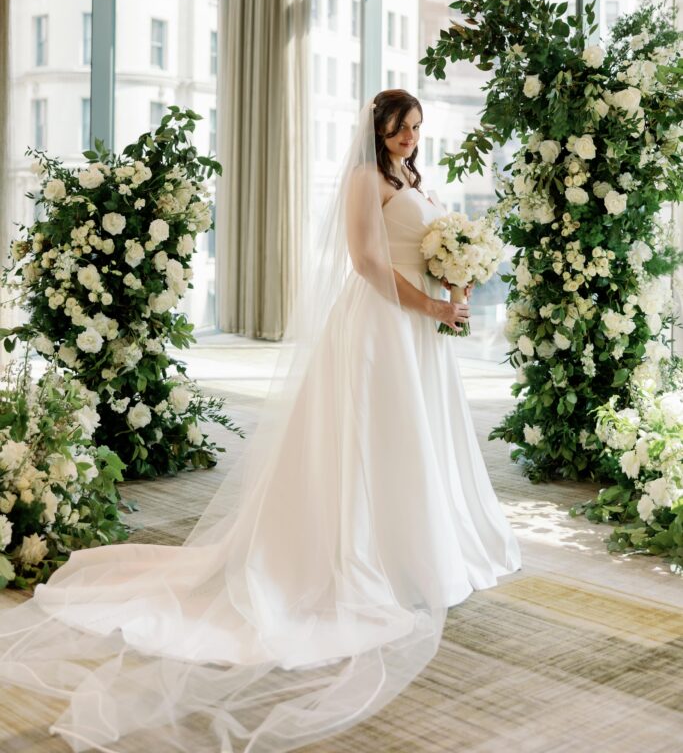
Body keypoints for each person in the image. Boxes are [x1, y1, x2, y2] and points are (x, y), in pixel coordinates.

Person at [0, 89, 521, 752]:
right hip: (381, 329)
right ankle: (367, 556)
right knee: (369, 442)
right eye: (399, 127)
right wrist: (429, 304)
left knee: (415, 441)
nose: (409, 137)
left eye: (416, 128)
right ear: (378, 128)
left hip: (417, 330)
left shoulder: (411, 177)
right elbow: (365, 263)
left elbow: (423, 246)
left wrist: (454, 284)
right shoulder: (366, 178)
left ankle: (421, 543)